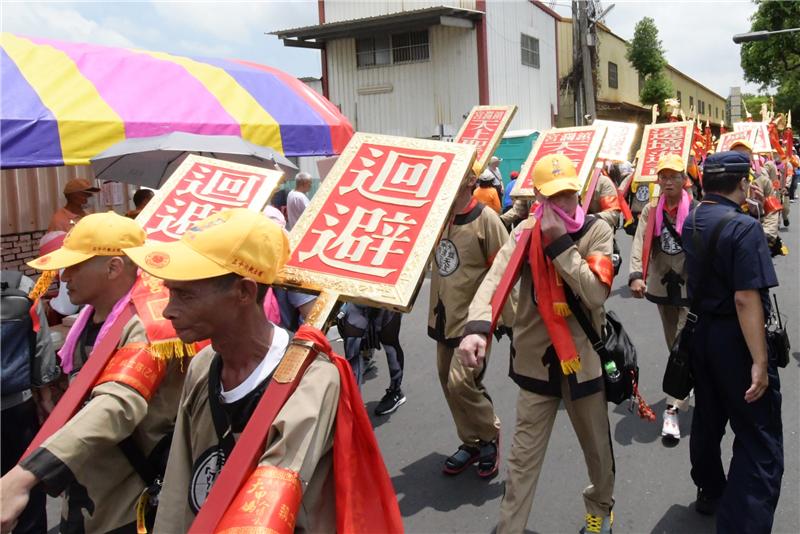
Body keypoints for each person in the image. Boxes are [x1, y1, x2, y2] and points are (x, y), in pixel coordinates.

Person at [123, 208, 400, 532]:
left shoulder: (312, 378)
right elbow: (177, 485)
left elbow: (276, 488)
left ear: (243, 291)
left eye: (185, 294)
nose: (169, 310)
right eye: (170, 292)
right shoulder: (202, 366)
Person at [0, 212, 199, 533]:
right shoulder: (88, 320)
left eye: (75, 265)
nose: (64, 276)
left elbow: (116, 405)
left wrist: (24, 476)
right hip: (86, 489)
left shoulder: (151, 326)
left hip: (127, 503)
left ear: (114, 267)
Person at [459, 154, 616, 534]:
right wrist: (477, 327)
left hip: (584, 361)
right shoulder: (524, 232)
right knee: (521, 461)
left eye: (570, 194)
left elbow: (595, 294)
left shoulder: (596, 230)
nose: (564, 203)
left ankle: (599, 509)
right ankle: (510, 527)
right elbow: (496, 279)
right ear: (540, 199)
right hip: (535, 362)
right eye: (555, 197)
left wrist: (560, 245)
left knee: (598, 455)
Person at [682, 151, 783, 531]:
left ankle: (709, 489)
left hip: (700, 330)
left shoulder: (692, 218)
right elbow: (746, 298)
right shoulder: (744, 227)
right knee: (759, 436)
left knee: (709, 415)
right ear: (742, 184)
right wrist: (759, 360)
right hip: (735, 337)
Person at [428, 170, 510, 478]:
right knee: (446, 382)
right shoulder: (438, 218)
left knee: (461, 382)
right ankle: (471, 441)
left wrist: (499, 317)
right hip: (443, 314)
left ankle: (490, 433)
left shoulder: (486, 219)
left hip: (473, 321)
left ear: (470, 179)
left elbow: (505, 268)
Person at [628, 154, 698, 440]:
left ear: (684, 179)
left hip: (689, 284)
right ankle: (687, 377)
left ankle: (673, 406)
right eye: (663, 176)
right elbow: (639, 241)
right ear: (658, 180)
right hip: (660, 283)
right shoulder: (651, 209)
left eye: (674, 176)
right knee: (673, 341)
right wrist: (635, 274)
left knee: (683, 341)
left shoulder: (695, 208)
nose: (668, 181)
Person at [1, 270, 59, 534]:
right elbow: (40, 344)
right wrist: (45, 397)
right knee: (26, 489)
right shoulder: (21, 285)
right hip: (18, 407)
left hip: (18, 406)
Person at [338, 304, 406, 415]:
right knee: (352, 346)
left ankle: (395, 391)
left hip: (386, 298)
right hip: (357, 298)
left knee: (389, 342)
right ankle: (354, 404)